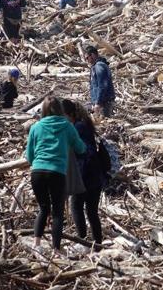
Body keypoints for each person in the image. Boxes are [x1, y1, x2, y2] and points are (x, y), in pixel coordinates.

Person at [26, 96, 86, 256]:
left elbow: (29, 155)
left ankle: (36, 243)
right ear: (60, 109)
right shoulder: (67, 126)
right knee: (57, 211)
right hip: (57, 172)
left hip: (37, 172)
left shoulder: (36, 127)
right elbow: (80, 148)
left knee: (43, 208)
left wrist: (37, 163)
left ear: (44, 110)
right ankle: (56, 249)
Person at [62, 99, 105, 249]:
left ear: (70, 114)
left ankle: (83, 241)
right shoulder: (84, 124)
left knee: (77, 207)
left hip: (85, 176)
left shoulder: (78, 128)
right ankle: (97, 244)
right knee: (92, 211)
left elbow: (86, 153)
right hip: (95, 175)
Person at [85, 46, 116, 117]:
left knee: (105, 123)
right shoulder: (96, 66)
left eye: (87, 58)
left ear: (92, 55)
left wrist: (98, 103)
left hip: (104, 103)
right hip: (102, 102)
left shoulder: (99, 66)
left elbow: (102, 85)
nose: (87, 60)